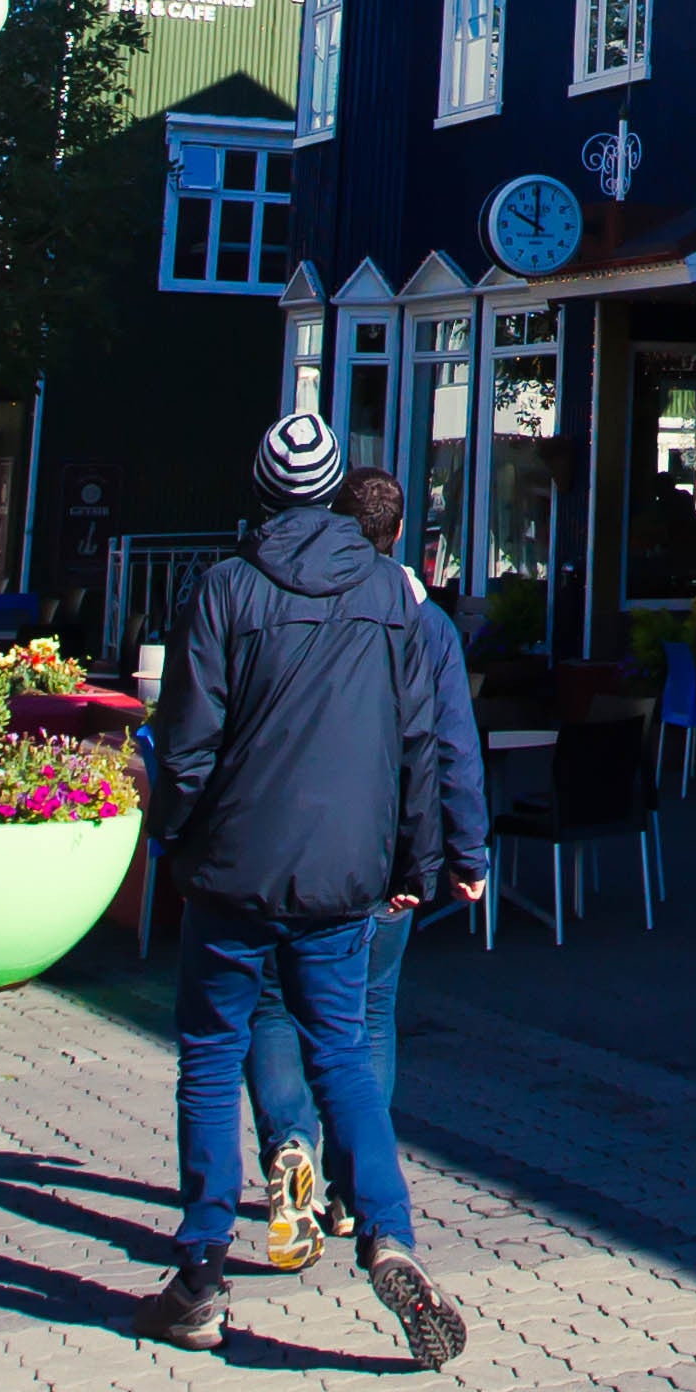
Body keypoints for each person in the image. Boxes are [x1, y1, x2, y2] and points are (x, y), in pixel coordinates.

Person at [132, 410, 468, 1368]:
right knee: (346, 1052)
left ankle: (200, 1269)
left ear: (261, 486)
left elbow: (188, 742)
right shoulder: (390, 597)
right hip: (343, 870)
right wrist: (415, 861)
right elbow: (415, 743)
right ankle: (389, 1232)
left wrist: (169, 836)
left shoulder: (226, 590)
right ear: (327, 491)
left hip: (234, 868)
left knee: (210, 1052)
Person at [241, 466, 488, 1268]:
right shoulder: (423, 620)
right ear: (402, 533)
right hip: (384, 856)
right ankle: (353, 1191)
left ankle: (290, 1145)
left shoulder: (277, 600)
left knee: (276, 1008)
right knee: (367, 1018)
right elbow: (453, 745)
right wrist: (466, 849)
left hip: (282, 848)